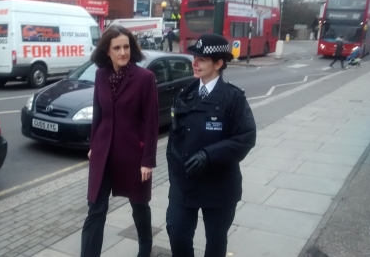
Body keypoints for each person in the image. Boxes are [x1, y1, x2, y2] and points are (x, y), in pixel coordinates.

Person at [165, 33, 257, 257]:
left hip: (219, 185)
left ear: (219, 63)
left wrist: (209, 155)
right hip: (184, 182)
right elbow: (175, 137)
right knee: (176, 232)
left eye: (202, 59)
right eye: (194, 58)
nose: (194, 63)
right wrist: (175, 172)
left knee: (215, 242)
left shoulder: (232, 97)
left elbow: (246, 137)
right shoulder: (185, 94)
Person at [81, 25, 159, 257]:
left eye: (126, 47)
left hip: (133, 154)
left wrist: (148, 161)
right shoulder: (100, 75)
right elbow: (98, 114)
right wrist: (93, 145)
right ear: (107, 51)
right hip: (104, 152)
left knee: (139, 204)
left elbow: (151, 123)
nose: (123, 52)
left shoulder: (145, 78)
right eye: (117, 48)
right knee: (95, 209)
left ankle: (145, 246)